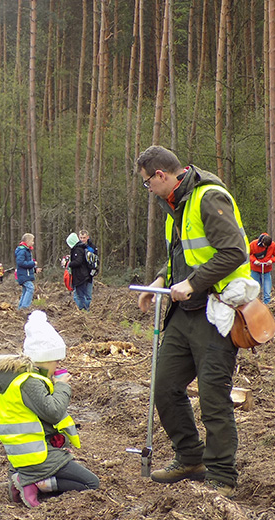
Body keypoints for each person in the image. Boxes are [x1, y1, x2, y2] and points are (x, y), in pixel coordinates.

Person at [136, 145, 251, 498]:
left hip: (215, 311)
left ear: (161, 176)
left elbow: (234, 251)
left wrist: (193, 282)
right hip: (182, 314)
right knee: (165, 386)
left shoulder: (208, 197)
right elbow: (181, 257)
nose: (148, 190)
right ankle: (190, 457)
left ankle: (221, 475)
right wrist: (159, 280)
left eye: (147, 183)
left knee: (214, 396)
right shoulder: (174, 207)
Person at [0, 310, 99, 508]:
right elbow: (53, 411)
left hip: (20, 456)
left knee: (83, 480)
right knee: (91, 483)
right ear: (44, 358)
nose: (58, 365)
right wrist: (62, 386)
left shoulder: (13, 379)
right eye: (56, 361)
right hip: (38, 456)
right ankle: (34, 483)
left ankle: (23, 478)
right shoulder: (29, 383)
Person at [66, 232, 92, 310]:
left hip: (81, 276)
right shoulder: (81, 248)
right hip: (82, 275)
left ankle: (84, 310)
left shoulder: (78, 249)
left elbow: (78, 261)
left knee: (80, 295)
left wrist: (69, 263)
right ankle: (84, 309)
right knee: (81, 295)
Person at [15, 233, 42, 310]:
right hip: (23, 275)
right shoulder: (22, 250)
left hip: (26, 274)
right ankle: (24, 307)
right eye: (32, 241)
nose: (33, 243)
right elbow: (20, 263)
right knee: (30, 288)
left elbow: (27, 265)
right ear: (27, 241)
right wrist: (32, 263)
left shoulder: (26, 251)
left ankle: (20, 308)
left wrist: (34, 269)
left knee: (25, 291)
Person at [249, 233, 275, 304]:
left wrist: (271, 260)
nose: (266, 247)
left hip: (266, 270)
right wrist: (254, 261)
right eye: (265, 245)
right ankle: (254, 304)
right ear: (262, 242)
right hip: (255, 270)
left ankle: (267, 305)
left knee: (267, 290)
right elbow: (248, 254)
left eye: (267, 246)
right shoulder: (253, 244)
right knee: (254, 289)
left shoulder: (272, 245)